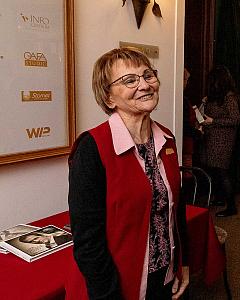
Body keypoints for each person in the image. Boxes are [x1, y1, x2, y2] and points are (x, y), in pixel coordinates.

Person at [67, 48, 189, 300]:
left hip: (163, 277)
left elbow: (176, 209)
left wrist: (182, 264)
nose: (144, 85)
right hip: (116, 287)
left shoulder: (167, 139)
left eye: (148, 76)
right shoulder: (92, 147)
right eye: (130, 80)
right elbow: (88, 242)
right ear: (109, 98)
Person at [200, 65, 240, 217]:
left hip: (223, 140)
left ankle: (231, 207)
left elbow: (235, 120)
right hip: (211, 138)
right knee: (214, 170)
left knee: (222, 171)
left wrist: (213, 121)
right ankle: (220, 198)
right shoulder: (214, 96)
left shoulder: (229, 97)